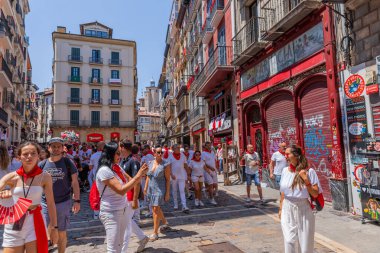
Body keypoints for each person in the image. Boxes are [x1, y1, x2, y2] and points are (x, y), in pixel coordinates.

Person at [0, 142, 58, 252]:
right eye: (25, 154)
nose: (29, 157)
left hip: (35, 221)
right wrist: (3, 193)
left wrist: (54, 227)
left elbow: (50, 203)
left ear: (38, 156)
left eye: (33, 153)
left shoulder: (45, 177)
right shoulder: (12, 177)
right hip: (14, 221)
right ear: (19, 157)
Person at [96, 141, 148, 253]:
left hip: (122, 209)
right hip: (111, 212)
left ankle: (142, 238)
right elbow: (121, 190)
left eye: (120, 153)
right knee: (113, 249)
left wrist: (140, 175)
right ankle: (142, 237)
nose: (120, 156)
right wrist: (138, 176)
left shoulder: (117, 167)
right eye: (117, 153)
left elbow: (131, 180)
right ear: (110, 154)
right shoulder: (104, 170)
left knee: (119, 244)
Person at [39, 137, 81, 253]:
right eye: (53, 146)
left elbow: (75, 182)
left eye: (58, 146)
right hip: (45, 203)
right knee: (46, 233)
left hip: (63, 202)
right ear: (49, 148)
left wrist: (77, 200)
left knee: (62, 233)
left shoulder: (68, 162)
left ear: (63, 148)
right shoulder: (42, 164)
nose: (56, 149)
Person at [279, 144, 322, 253]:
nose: (285, 156)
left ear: (296, 156)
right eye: (285, 154)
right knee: (289, 240)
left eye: (288, 154)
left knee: (305, 244)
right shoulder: (284, 171)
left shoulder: (309, 171)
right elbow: (283, 192)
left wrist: (306, 181)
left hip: (303, 208)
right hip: (287, 207)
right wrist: (280, 208)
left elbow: (316, 194)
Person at [119, 140, 149, 251]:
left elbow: (137, 181)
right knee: (126, 221)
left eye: (119, 147)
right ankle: (142, 237)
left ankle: (123, 250)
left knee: (126, 223)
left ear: (123, 148)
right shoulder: (123, 161)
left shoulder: (133, 161)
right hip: (125, 194)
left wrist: (135, 199)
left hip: (131, 195)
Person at [144, 146, 171, 241]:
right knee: (155, 208)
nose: (160, 154)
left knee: (155, 209)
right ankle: (165, 222)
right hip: (151, 189)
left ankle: (155, 233)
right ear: (154, 153)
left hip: (160, 189)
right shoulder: (150, 163)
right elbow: (148, 176)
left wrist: (167, 193)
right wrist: (145, 188)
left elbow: (168, 180)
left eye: (161, 152)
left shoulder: (166, 164)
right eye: (158, 152)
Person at [168, 144, 190, 213]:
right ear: (173, 149)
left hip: (182, 175)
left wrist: (188, 174)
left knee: (182, 190)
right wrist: (171, 174)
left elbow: (185, 165)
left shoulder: (183, 155)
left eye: (178, 148)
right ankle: (175, 204)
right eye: (176, 148)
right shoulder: (170, 156)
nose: (178, 149)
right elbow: (169, 166)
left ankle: (184, 205)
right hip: (174, 176)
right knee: (174, 191)